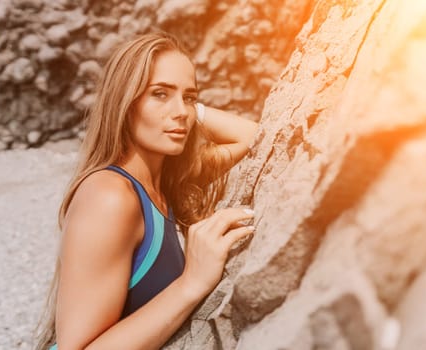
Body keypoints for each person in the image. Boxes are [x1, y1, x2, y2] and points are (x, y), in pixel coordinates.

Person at [36, 31, 260, 350]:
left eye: (190, 96)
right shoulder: (109, 196)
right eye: (159, 93)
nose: (181, 111)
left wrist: (184, 109)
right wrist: (191, 283)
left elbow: (256, 138)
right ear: (125, 103)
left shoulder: (166, 180)